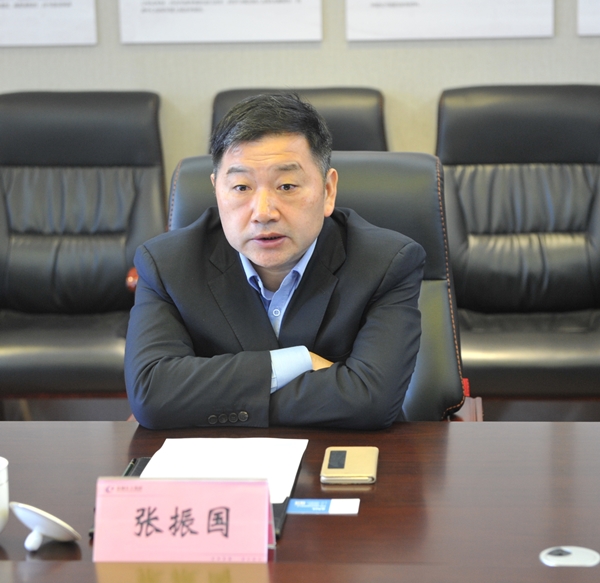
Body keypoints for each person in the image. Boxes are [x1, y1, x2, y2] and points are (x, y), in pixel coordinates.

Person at [125, 93, 425, 430]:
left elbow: (371, 400)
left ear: (328, 191)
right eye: (241, 187)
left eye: (286, 186)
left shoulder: (385, 263)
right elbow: (151, 394)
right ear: (216, 190)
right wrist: (296, 362)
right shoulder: (166, 265)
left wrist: (206, 396)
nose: (263, 213)